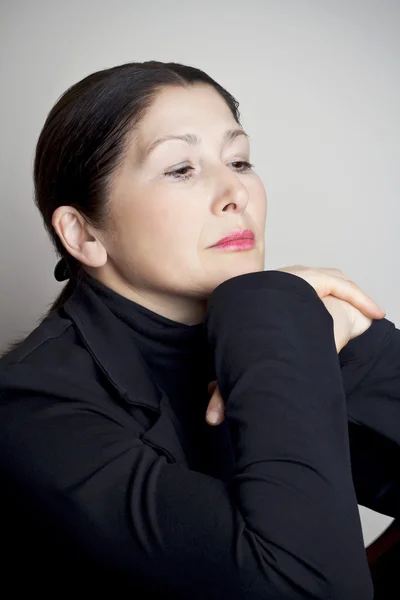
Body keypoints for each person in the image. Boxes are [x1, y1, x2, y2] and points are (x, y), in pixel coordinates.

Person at [0, 60, 398, 599]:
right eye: (180, 169)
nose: (235, 192)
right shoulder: (30, 410)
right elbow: (309, 588)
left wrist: (325, 331)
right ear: (84, 233)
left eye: (240, 159)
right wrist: (279, 313)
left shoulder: (281, 329)